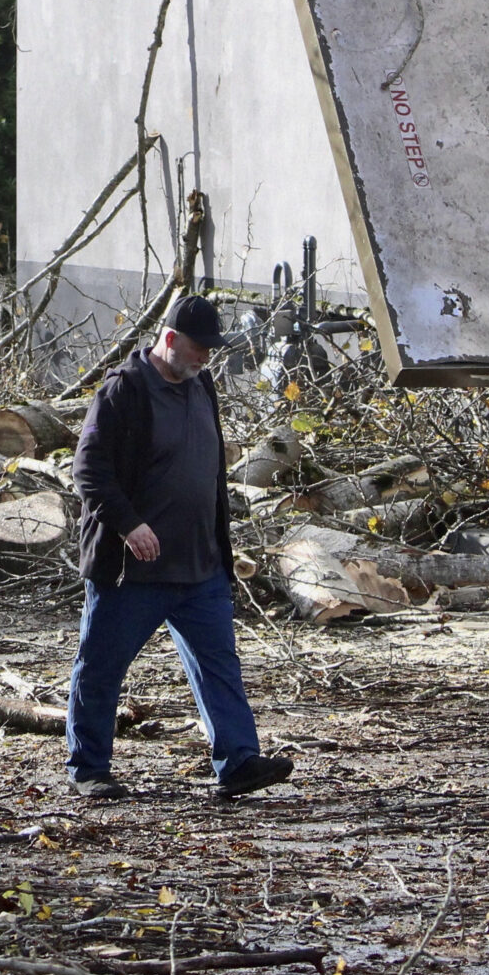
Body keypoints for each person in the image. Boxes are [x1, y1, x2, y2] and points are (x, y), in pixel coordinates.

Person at [65, 294, 293, 802]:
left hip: (200, 564)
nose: (206, 358)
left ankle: (238, 761)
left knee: (219, 665)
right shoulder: (122, 391)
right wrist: (129, 525)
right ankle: (88, 768)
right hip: (132, 570)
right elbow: (88, 471)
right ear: (169, 339)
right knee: (101, 666)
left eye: (210, 349)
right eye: (198, 348)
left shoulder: (200, 384)